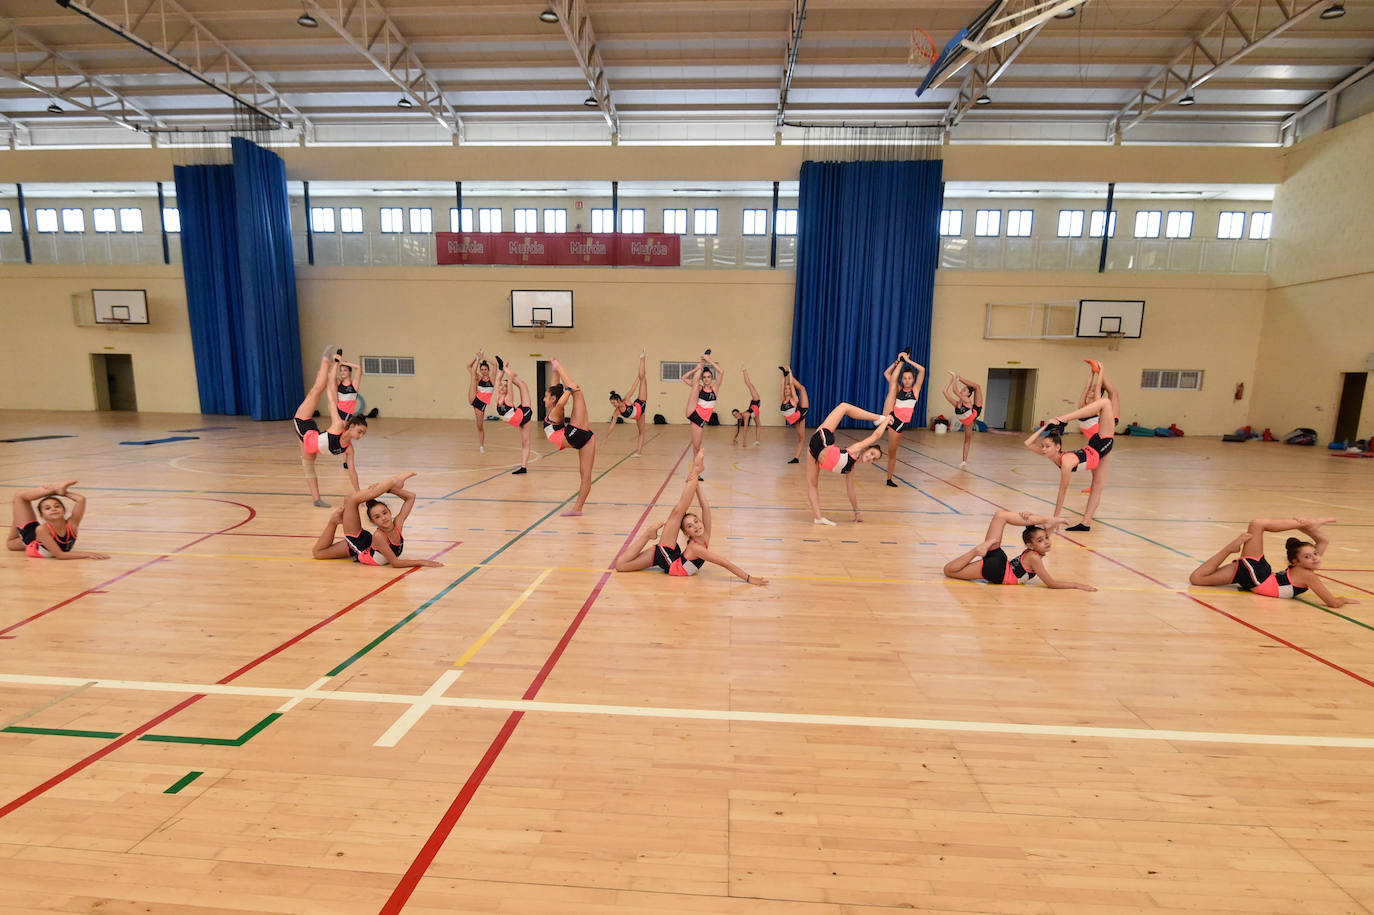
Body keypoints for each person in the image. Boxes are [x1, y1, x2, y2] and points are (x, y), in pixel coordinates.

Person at [614, 451, 767, 585]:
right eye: (690, 526)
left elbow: (705, 508)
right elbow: (724, 563)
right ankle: (695, 469)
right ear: (687, 534)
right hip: (668, 559)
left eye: (696, 522)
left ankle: (648, 534)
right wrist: (748, 578)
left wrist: (698, 487)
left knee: (621, 566)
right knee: (678, 511)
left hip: (669, 560)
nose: (696, 526)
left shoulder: (704, 536)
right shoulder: (695, 547)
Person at [1022, 362, 1118, 531]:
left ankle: (1063, 418)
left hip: (1101, 439)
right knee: (1097, 485)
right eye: (1043, 447)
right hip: (1096, 447)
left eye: (1046, 446)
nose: (1043, 449)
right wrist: (1044, 428)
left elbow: (1062, 492)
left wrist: (1054, 520)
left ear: (1058, 448)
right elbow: (1028, 443)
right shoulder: (1057, 458)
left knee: (1106, 401)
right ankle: (1086, 524)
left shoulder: (1065, 461)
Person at [1188, 517, 1355, 609]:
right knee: (1257, 524)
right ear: (1296, 562)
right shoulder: (1306, 574)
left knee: (1197, 578)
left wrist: (1309, 529)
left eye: (1315, 554)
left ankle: (1230, 549)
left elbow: (1323, 540)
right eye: (1308, 556)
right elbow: (1332, 603)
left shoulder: (1304, 567)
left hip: (1253, 580)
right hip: (1258, 576)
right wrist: (1342, 601)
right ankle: (1231, 549)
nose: (1316, 558)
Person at [311, 472, 443, 568]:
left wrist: (391, 490)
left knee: (318, 553)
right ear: (373, 522)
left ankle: (335, 520)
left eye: (385, 513)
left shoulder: (397, 524)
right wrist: (423, 561)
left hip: (365, 546)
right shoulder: (379, 536)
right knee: (350, 500)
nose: (383, 518)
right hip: (359, 545)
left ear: (390, 512)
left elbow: (411, 497)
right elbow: (396, 563)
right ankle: (333, 521)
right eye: (377, 517)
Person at [942, 510, 1095, 591]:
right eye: (1040, 540)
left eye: (1046, 538)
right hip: (999, 572)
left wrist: (1035, 518)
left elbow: (1044, 531)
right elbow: (1051, 583)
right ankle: (977, 551)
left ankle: (980, 549)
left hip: (1000, 561)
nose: (1047, 542)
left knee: (1000, 515)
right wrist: (1077, 585)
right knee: (949, 570)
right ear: (1030, 545)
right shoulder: (1034, 558)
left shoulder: (1033, 551)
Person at [293, 346, 367, 507]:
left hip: (310, 436)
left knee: (308, 467)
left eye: (363, 434)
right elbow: (332, 402)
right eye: (360, 432)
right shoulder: (339, 425)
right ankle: (326, 361)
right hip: (302, 423)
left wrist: (359, 496)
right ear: (352, 427)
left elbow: (352, 472)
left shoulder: (349, 449)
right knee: (316, 391)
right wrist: (329, 385)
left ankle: (316, 499)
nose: (360, 436)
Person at [805, 404, 892, 526]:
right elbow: (876, 436)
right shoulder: (855, 450)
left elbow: (850, 491)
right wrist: (886, 420)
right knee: (844, 407)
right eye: (872, 453)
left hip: (813, 451)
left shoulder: (850, 468)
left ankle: (818, 517)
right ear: (866, 449)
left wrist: (857, 512)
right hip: (822, 441)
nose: (871, 457)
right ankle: (878, 418)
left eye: (874, 459)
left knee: (812, 485)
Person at [544, 357, 598, 517]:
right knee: (585, 474)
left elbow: (560, 402)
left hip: (573, 436)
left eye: (545, 396)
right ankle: (577, 509)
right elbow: (555, 392)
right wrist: (555, 373)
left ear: (552, 398)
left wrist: (568, 389)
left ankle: (560, 367)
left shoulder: (555, 410)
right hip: (583, 439)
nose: (543, 398)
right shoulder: (553, 410)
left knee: (577, 392)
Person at [7, 480, 108, 560]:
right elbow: (60, 555)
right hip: (31, 539)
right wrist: (87, 554)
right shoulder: (41, 530)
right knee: (19, 496)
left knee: (11, 544)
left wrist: (63, 493)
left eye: (57, 506)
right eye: (47, 508)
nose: (53, 509)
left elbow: (81, 500)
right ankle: (53, 489)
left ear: (64, 511)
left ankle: (19, 513)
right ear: (42, 516)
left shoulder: (72, 524)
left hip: (38, 540)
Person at [881, 351, 926, 487]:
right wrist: (896, 363)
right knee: (892, 387)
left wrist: (907, 360)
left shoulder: (915, 390)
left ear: (913, 380)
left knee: (892, 452)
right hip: (892, 416)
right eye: (905, 378)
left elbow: (922, 370)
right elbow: (886, 374)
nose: (907, 380)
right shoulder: (899, 388)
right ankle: (882, 420)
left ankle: (889, 479)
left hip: (900, 423)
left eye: (909, 378)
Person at [492, 356, 534, 474]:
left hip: (524, 414)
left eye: (505, 386)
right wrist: (501, 370)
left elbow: (509, 380)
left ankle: (523, 467)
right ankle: (504, 368)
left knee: (522, 385)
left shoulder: (508, 398)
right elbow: (497, 381)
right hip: (517, 417)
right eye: (502, 385)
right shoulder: (498, 397)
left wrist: (506, 370)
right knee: (522, 384)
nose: (502, 387)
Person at [606, 350, 649, 456]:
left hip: (641, 403)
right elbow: (612, 425)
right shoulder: (616, 412)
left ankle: (642, 359)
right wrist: (607, 435)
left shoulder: (626, 399)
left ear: (618, 400)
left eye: (614, 403)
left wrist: (638, 378)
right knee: (641, 432)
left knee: (643, 379)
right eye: (612, 404)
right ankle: (639, 453)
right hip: (639, 415)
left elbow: (633, 388)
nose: (613, 405)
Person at [683, 350, 723, 454]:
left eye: (708, 377)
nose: (706, 379)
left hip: (702, 421)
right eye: (704, 377)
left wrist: (710, 360)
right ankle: (701, 364)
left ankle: (695, 466)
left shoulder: (715, 389)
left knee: (697, 447)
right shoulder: (700, 388)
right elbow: (684, 378)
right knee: (695, 385)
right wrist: (697, 369)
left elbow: (721, 372)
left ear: (711, 378)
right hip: (693, 413)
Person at [941, 371, 983, 468]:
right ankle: (964, 461)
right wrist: (951, 380)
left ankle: (959, 377)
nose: (962, 390)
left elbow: (955, 390)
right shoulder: (956, 404)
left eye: (964, 390)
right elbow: (945, 391)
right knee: (967, 439)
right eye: (963, 389)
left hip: (975, 410)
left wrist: (956, 378)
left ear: (968, 394)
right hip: (968, 421)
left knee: (977, 387)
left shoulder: (967, 400)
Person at [780, 366, 810, 463]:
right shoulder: (783, 400)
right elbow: (781, 387)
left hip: (802, 412)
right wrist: (784, 376)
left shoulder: (794, 400)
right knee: (801, 438)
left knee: (802, 388)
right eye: (786, 389)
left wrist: (790, 373)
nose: (786, 390)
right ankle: (796, 459)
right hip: (795, 419)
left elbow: (792, 385)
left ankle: (796, 458)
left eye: (788, 389)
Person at [468, 351, 495, 454]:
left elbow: (495, 365)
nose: (484, 371)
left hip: (481, 404)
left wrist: (485, 358)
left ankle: (481, 446)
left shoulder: (492, 379)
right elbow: (469, 367)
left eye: (485, 369)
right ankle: (481, 446)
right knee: (473, 377)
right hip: (474, 398)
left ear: (488, 370)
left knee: (479, 426)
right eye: (482, 369)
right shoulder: (479, 378)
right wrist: (476, 358)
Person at [335, 356, 364, 422]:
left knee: (344, 431)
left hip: (347, 414)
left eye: (345, 370)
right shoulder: (339, 383)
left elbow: (358, 367)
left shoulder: (354, 385)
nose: (342, 372)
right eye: (341, 370)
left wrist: (343, 362)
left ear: (350, 372)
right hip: (337, 412)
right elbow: (331, 375)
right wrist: (336, 362)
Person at [740, 364, 763, 446]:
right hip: (756, 404)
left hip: (755, 405)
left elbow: (745, 429)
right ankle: (744, 370)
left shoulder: (746, 415)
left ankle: (744, 370)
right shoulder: (746, 416)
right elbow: (745, 429)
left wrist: (744, 441)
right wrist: (744, 442)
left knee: (749, 384)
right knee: (749, 384)